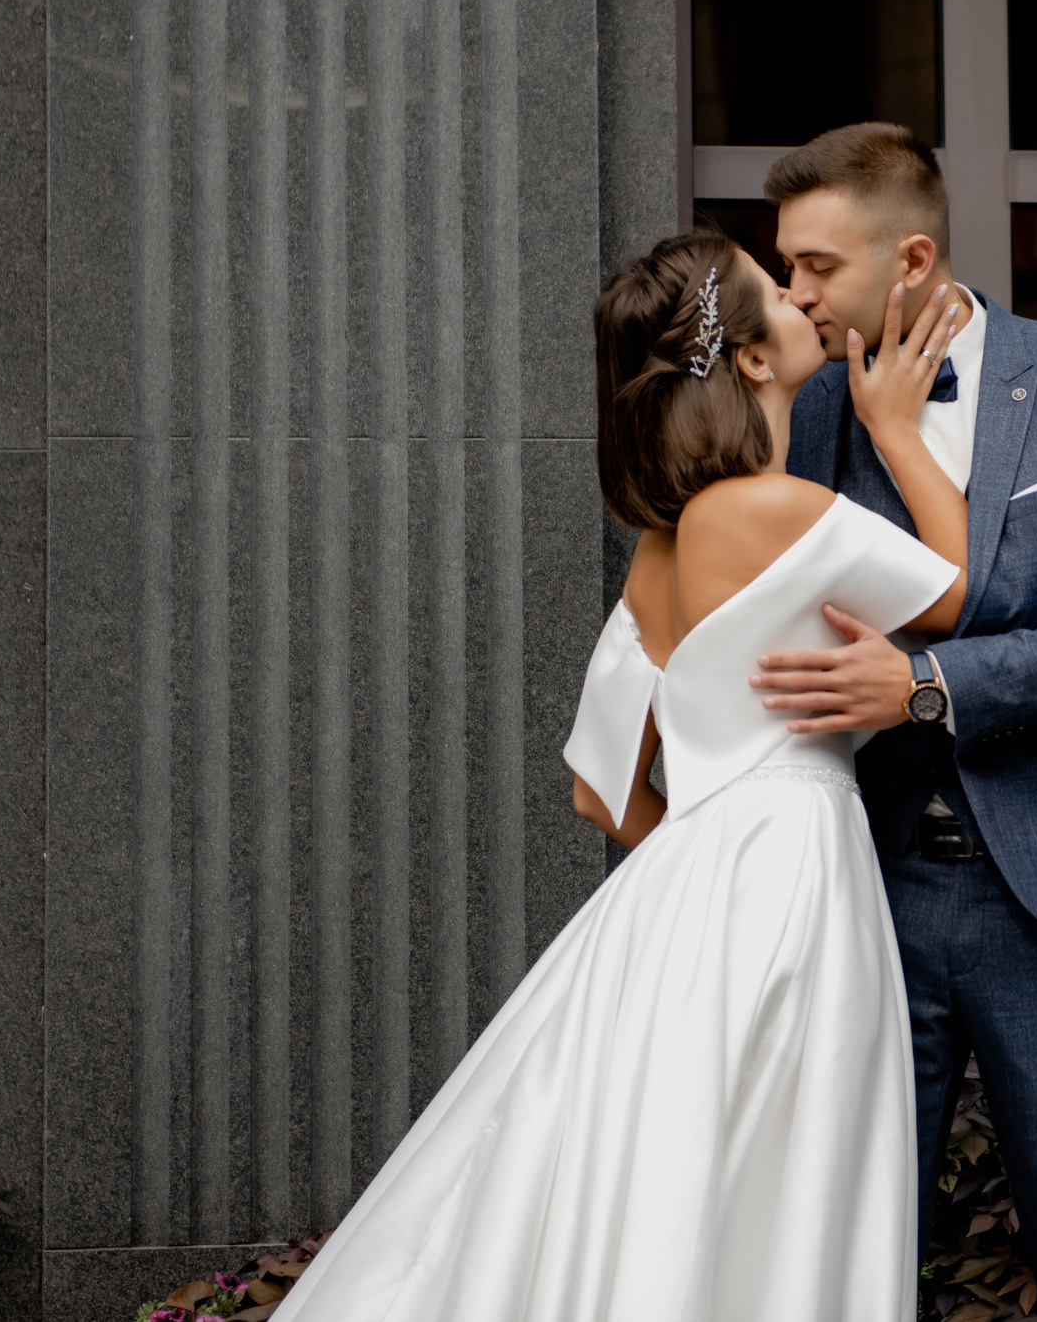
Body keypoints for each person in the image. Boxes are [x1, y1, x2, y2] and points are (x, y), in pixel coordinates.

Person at [270, 229, 968, 1321]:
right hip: (790, 874)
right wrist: (892, 428)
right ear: (749, 357)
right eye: (773, 289)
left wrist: (700, 849)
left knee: (672, 1163)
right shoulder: (770, 506)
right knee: (785, 1173)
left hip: (692, 883)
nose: (799, 299)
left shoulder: (661, 543)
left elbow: (600, 789)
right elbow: (953, 590)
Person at [756, 122, 1037, 1322]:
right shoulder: (804, 407)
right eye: (785, 267)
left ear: (910, 258)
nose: (797, 292)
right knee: (845, 1276)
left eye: (817, 266)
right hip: (866, 894)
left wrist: (931, 684)